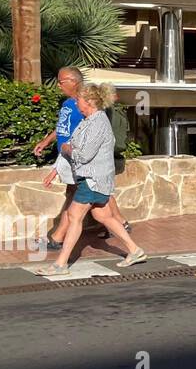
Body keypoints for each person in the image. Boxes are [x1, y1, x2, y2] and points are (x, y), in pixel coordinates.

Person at [34, 83, 146, 276]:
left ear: (89, 102)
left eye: (79, 100)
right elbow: (72, 145)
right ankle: (135, 251)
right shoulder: (88, 121)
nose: (76, 103)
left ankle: (61, 264)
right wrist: (59, 164)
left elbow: (83, 155)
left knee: (73, 216)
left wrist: (67, 149)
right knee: (103, 216)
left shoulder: (98, 123)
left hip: (93, 179)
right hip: (92, 178)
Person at [35, 66, 129, 250]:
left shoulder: (85, 106)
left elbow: (89, 132)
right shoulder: (68, 104)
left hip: (77, 157)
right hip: (68, 156)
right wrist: (46, 141)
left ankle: (58, 240)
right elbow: (62, 127)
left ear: (73, 82)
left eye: (61, 82)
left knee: (80, 197)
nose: (58, 86)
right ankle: (123, 228)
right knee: (94, 198)